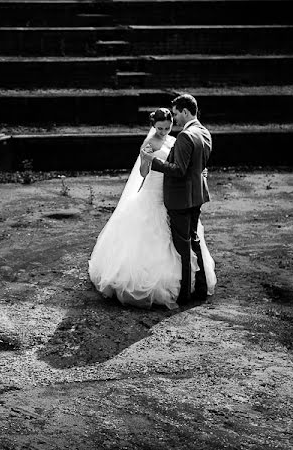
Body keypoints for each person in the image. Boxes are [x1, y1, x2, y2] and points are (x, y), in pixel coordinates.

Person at [88, 107, 216, 309]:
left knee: (178, 237)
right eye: (160, 128)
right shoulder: (150, 143)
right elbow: (142, 172)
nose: (164, 132)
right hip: (153, 191)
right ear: (153, 126)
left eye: (167, 127)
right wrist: (146, 160)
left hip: (172, 193)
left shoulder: (176, 140)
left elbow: (184, 164)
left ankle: (187, 281)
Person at [142, 94, 214, 304]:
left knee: (183, 247)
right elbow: (198, 164)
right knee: (194, 241)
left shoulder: (185, 136)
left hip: (181, 198)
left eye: (175, 114)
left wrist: (153, 162)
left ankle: (184, 293)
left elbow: (179, 169)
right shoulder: (203, 131)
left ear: (184, 111)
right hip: (196, 196)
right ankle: (200, 287)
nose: (175, 119)